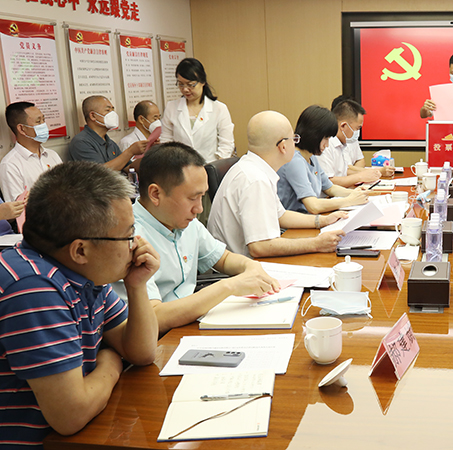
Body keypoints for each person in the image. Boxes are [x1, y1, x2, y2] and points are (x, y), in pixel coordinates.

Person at [0, 161, 159, 446]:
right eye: (127, 235)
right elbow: (71, 416)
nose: (135, 244)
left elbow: (142, 352)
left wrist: (137, 286)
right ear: (81, 250)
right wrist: (111, 361)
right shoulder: (33, 288)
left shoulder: (83, 274)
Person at [114, 142, 280, 336]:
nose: (199, 209)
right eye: (193, 198)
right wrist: (229, 286)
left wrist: (250, 267)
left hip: (191, 323)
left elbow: (223, 258)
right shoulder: (128, 238)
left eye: (202, 196)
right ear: (155, 194)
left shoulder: (183, 220)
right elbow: (153, 317)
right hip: (161, 338)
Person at [208, 111, 348, 257]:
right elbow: (260, 247)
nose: (296, 143)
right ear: (283, 146)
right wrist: (316, 244)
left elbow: (281, 215)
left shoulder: (254, 168)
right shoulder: (255, 180)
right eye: (294, 139)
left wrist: (323, 220)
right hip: (244, 266)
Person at [276, 105, 368, 214]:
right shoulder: (294, 161)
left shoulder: (312, 157)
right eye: (326, 138)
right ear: (314, 134)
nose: (327, 144)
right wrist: (349, 201)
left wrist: (354, 193)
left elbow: (330, 188)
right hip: (296, 222)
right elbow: (313, 206)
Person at [161, 58, 234, 163]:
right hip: (180, 167)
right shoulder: (171, 107)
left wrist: (217, 167)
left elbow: (226, 144)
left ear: (202, 81)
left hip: (209, 166)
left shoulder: (219, 109)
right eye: (181, 84)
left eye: (190, 85)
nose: (185, 89)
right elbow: (166, 143)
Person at [318, 96, 391, 188]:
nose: (358, 132)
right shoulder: (326, 145)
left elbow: (347, 171)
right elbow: (329, 182)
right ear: (343, 126)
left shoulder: (342, 143)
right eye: (357, 128)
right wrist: (360, 177)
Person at [67, 95, 147, 171]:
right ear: (93, 116)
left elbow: (128, 168)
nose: (113, 114)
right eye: (108, 110)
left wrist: (149, 155)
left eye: (113, 110)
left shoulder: (110, 143)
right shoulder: (81, 142)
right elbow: (100, 172)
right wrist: (130, 151)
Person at [2, 102, 62, 201]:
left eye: (43, 120)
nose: (44, 125)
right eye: (38, 122)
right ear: (22, 129)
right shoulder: (10, 165)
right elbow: (17, 206)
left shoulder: (52, 155)